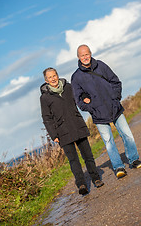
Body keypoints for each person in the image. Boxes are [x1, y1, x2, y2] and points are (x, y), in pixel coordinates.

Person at [71, 45, 141, 179]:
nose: (85, 57)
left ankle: (134, 159)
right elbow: (78, 100)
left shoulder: (101, 66)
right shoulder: (76, 77)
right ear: (78, 57)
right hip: (98, 114)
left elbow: (116, 82)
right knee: (109, 142)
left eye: (87, 54)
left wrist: (115, 99)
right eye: (82, 55)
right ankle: (118, 167)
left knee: (127, 135)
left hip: (114, 107)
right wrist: (91, 107)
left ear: (90, 54)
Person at [40, 67, 104, 195]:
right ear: (46, 81)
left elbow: (79, 96)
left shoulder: (68, 87)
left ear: (57, 76)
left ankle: (96, 179)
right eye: (50, 77)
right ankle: (81, 184)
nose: (53, 79)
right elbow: (47, 118)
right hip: (62, 132)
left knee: (88, 156)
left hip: (77, 125)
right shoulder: (45, 98)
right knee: (73, 160)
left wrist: (86, 97)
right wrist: (54, 135)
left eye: (54, 75)